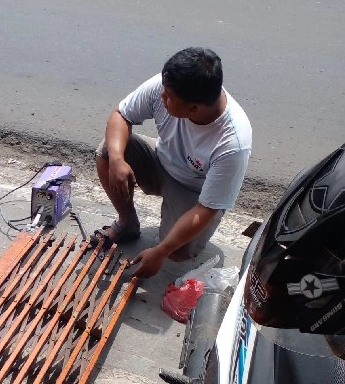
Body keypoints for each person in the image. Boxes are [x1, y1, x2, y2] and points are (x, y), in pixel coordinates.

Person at [92, 47, 252, 278]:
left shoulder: (232, 143)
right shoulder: (170, 85)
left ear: (194, 108)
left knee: (177, 253)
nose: (162, 97)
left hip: (195, 192)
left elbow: (207, 208)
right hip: (160, 160)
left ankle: (173, 237)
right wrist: (118, 159)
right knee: (108, 150)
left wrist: (160, 251)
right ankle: (127, 223)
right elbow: (122, 114)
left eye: (168, 98)